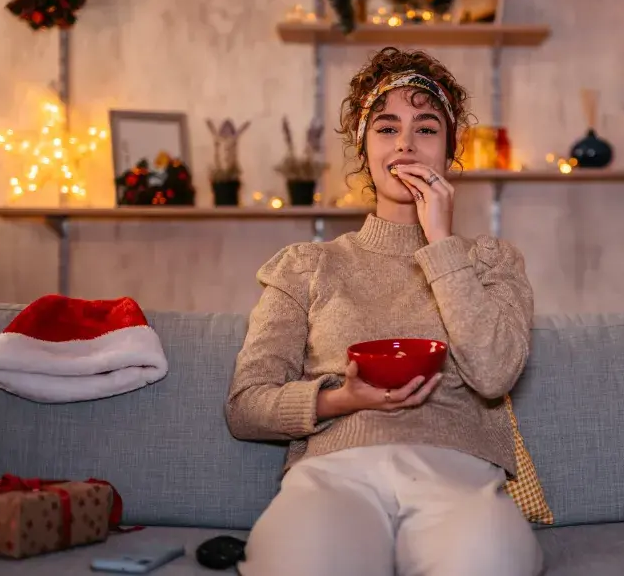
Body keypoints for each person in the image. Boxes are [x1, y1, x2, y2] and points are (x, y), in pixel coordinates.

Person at [225, 46, 543, 576]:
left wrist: (440, 241)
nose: (405, 145)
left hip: (457, 474)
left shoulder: (490, 262)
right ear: (363, 148)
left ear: (449, 150)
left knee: (491, 563)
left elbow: (494, 374)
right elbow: (245, 405)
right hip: (334, 473)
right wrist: (337, 400)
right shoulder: (306, 266)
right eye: (387, 128)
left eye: (425, 128)